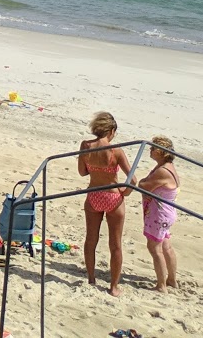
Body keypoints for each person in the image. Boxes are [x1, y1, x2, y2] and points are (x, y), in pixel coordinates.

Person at [78, 111, 135, 296]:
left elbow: (82, 172)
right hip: (112, 196)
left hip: (94, 195)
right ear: (111, 130)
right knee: (115, 244)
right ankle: (113, 286)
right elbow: (133, 180)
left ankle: (91, 278)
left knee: (91, 239)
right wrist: (124, 193)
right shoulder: (115, 150)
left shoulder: (86, 145)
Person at [141, 136, 180, 290]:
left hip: (159, 215)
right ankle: (171, 280)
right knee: (166, 246)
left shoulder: (163, 171)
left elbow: (144, 185)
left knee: (154, 248)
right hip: (165, 212)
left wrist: (142, 182)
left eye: (153, 149)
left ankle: (161, 284)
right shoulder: (166, 166)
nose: (150, 151)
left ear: (161, 152)